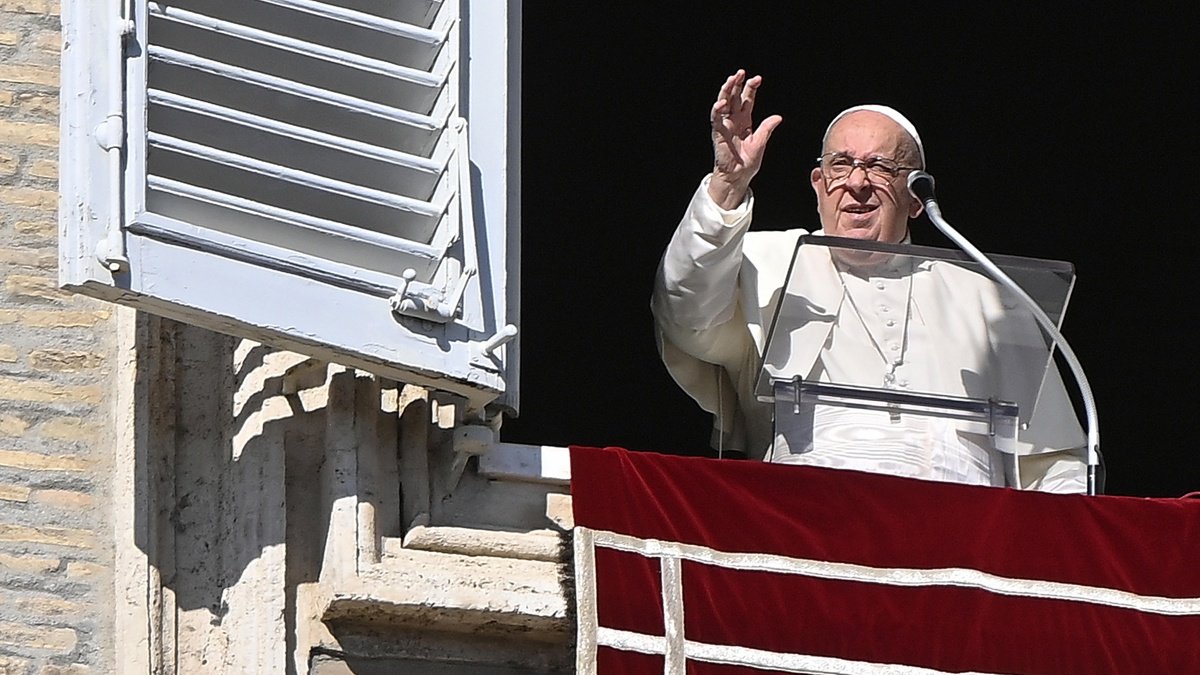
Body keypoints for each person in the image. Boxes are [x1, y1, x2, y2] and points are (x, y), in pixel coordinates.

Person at [651, 70, 1087, 492]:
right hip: (806, 518)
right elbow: (686, 315)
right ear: (819, 185)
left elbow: (1051, 462)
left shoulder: (989, 298)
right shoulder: (765, 263)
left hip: (964, 535)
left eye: (880, 167)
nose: (857, 183)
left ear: (917, 198)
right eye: (841, 165)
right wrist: (728, 185)